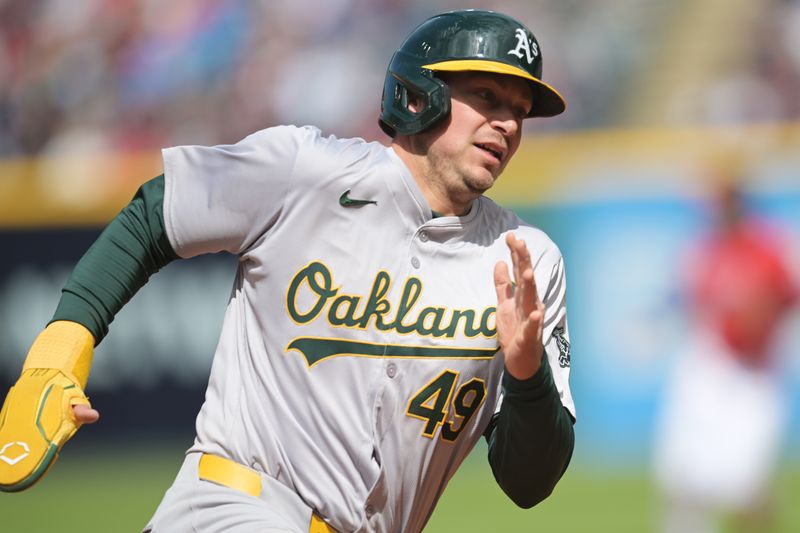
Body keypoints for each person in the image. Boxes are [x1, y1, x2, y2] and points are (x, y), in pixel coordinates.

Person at [0, 10, 576, 532]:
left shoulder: (525, 262)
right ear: (421, 97)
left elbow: (529, 484)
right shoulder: (308, 172)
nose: (507, 124)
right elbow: (156, 212)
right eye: (487, 96)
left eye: (519, 111)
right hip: (234, 509)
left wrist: (528, 376)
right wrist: (59, 351)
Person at [653, 173, 798, 533]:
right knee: (683, 476)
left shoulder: (771, 248)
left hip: (756, 372)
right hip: (710, 363)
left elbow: (786, 301)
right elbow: (680, 300)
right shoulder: (703, 250)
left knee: (745, 485)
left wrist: (765, 326)